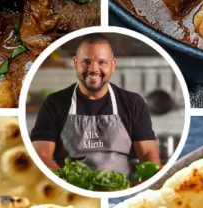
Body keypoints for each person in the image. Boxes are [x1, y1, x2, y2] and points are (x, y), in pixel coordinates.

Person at [31, 34, 160, 179]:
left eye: (102, 62)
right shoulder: (54, 102)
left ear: (113, 65)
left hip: (121, 187)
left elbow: (148, 153)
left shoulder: (133, 102)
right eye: (86, 61)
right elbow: (41, 155)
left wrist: (149, 180)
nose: (93, 69)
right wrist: (68, 183)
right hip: (70, 187)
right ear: (75, 63)